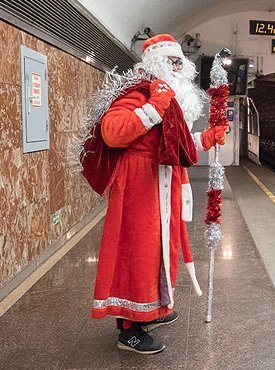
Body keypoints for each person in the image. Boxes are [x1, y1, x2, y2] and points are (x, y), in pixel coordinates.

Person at [83, 34, 206, 355]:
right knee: (137, 253)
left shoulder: (168, 96)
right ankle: (128, 328)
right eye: (172, 62)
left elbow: (174, 144)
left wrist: (208, 137)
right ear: (156, 64)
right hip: (139, 188)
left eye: (181, 62)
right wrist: (155, 104)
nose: (179, 67)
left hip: (162, 185)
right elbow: (113, 132)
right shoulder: (140, 93)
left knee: (161, 252)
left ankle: (154, 308)